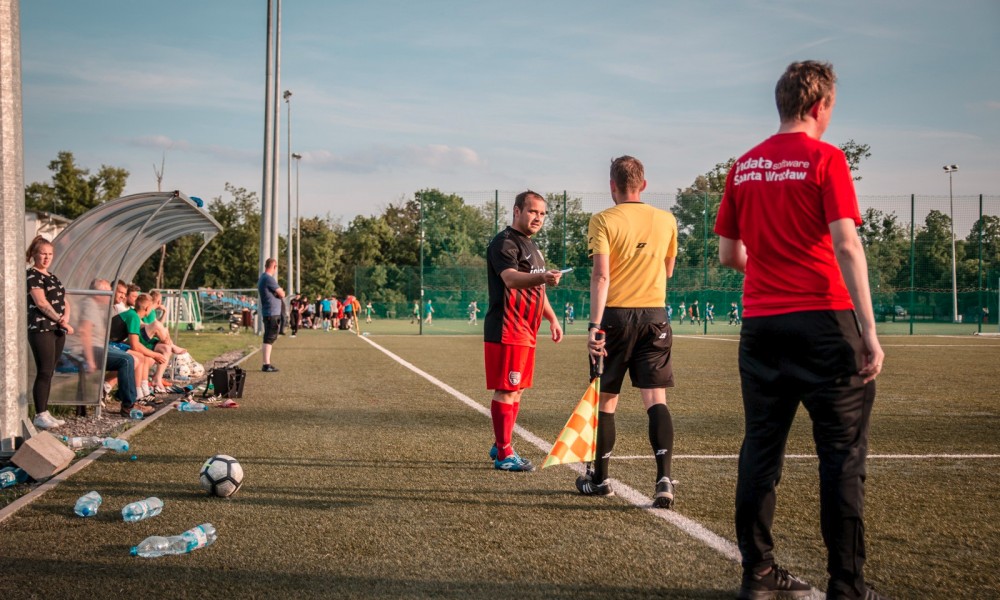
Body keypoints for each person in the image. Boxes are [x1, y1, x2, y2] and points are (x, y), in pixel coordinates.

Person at [715, 61, 886, 600]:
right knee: (841, 459)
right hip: (825, 324)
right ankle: (846, 586)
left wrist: (771, 267)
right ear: (820, 106)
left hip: (763, 325)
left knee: (761, 450)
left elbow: (729, 254)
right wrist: (869, 330)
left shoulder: (743, 167)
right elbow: (847, 244)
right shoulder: (826, 158)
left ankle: (758, 576)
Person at [577, 156, 679, 510]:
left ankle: (600, 479)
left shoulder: (603, 219)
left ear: (612, 186)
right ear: (644, 185)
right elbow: (668, 271)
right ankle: (664, 478)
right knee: (656, 400)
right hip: (655, 316)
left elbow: (601, 275)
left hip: (616, 318)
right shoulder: (666, 220)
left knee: (607, 400)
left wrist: (594, 325)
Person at [485, 190, 564, 472]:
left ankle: (500, 443)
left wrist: (552, 319)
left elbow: (538, 291)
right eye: (533, 211)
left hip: (526, 330)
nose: (538, 218)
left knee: (516, 390)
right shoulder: (504, 243)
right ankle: (505, 453)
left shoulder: (532, 246)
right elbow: (510, 279)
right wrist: (541, 276)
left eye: (542, 214)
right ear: (517, 211)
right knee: (507, 389)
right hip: (508, 327)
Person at [26, 236, 72, 430]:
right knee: (44, 370)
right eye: (43, 253)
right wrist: (60, 320)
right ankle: (40, 414)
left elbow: (65, 300)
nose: (47, 257)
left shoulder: (52, 276)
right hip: (42, 327)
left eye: (50, 254)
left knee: (50, 371)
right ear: (34, 255)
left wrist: (65, 320)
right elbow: (41, 303)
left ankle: (44, 411)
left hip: (57, 329)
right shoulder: (32, 275)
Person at [258, 258, 286, 372]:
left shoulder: (263, 278)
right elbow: (282, 293)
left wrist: (277, 293)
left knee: (269, 338)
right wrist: (278, 292)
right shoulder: (268, 278)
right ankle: (266, 364)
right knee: (269, 338)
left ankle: (267, 363)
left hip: (270, 312)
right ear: (274, 266)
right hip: (271, 313)